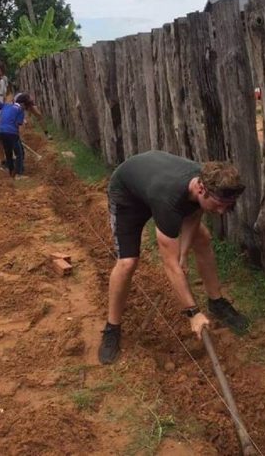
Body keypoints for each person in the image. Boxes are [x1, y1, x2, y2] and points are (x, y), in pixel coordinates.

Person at [98, 150, 249, 365]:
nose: (222, 211)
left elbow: (194, 214)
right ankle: (112, 328)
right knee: (127, 262)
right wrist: (193, 313)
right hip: (127, 197)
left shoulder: (205, 179)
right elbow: (169, 265)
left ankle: (217, 303)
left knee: (203, 239)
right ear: (200, 189)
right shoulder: (168, 198)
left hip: (152, 184)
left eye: (228, 206)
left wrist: (184, 254)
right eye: (218, 204)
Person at [0, 93, 33, 179]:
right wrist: (17, 136)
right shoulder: (20, 110)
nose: (27, 108)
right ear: (23, 104)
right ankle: (18, 174)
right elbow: (18, 124)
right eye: (27, 105)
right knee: (19, 153)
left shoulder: (7, 105)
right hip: (11, 132)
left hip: (1, 131)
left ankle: (11, 172)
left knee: (8, 152)